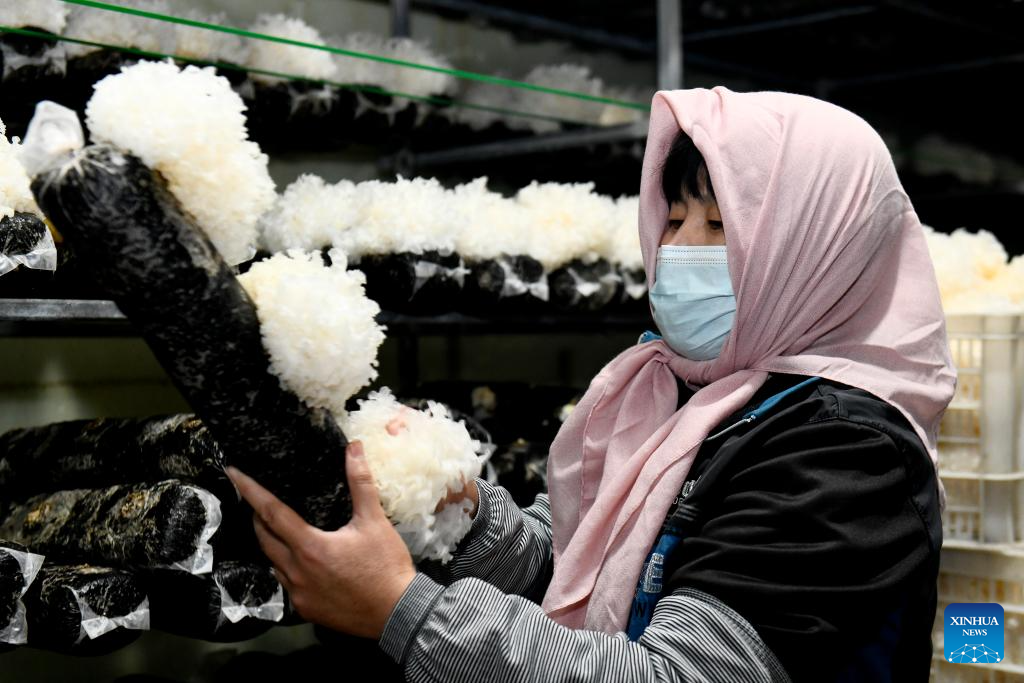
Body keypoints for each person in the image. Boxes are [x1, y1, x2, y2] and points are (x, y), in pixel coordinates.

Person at [227, 86, 956, 682]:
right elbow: (578, 571)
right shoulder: (673, 389)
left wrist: (400, 609)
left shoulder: (845, 453)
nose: (677, 252)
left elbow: (673, 675)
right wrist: (466, 516)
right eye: (673, 218)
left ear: (819, 247)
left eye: (719, 226)